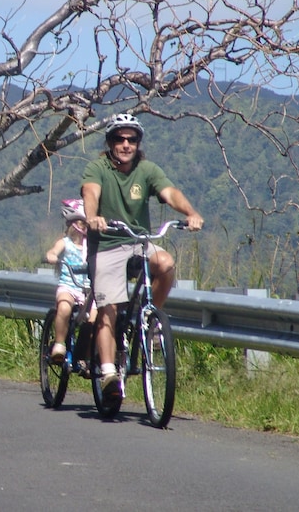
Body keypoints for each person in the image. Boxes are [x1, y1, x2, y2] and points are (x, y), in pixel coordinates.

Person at [81, 113, 203, 400]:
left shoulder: (146, 169)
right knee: (108, 307)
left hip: (139, 242)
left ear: (138, 142)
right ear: (110, 142)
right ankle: (110, 372)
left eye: (132, 139)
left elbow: (169, 192)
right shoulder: (98, 168)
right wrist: (92, 217)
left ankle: (146, 323)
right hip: (108, 245)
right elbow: (90, 192)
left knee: (165, 263)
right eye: (120, 139)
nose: (126, 144)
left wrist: (190, 213)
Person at [43, 198, 98, 374]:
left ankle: (86, 357)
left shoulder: (93, 247)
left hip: (89, 291)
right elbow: (53, 251)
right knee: (64, 308)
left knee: (94, 321)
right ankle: (59, 343)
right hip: (69, 286)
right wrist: (52, 256)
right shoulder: (65, 243)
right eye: (81, 223)